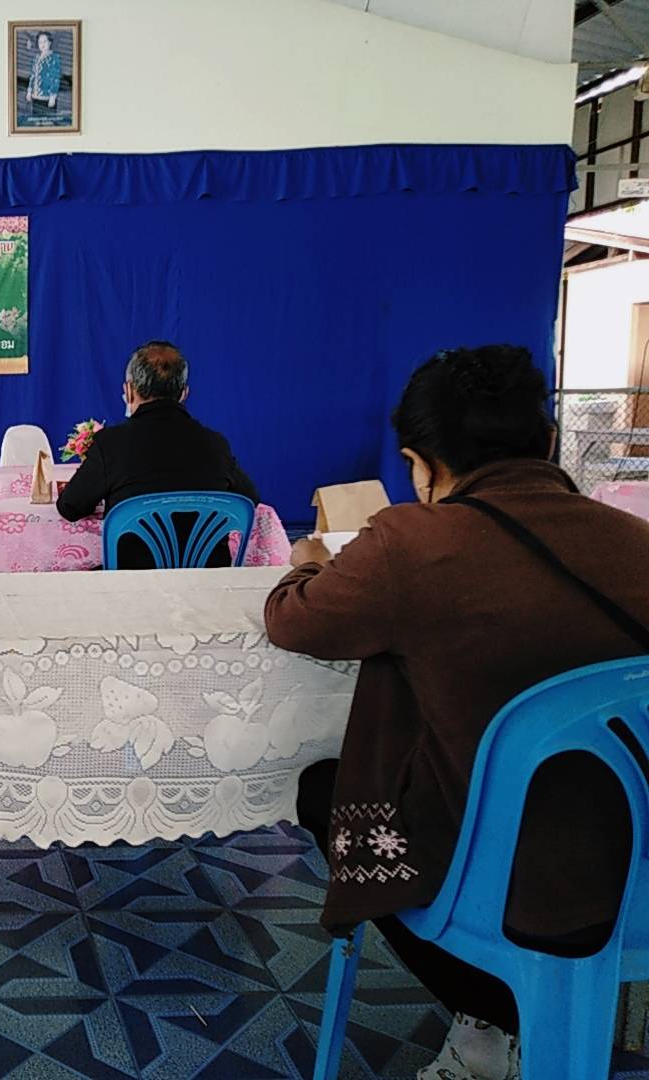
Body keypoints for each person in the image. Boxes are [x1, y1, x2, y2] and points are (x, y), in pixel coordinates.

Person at [265, 345, 642, 1080]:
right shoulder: (635, 541)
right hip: (637, 871)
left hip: (506, 888)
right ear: (550, 441)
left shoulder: (411, 545)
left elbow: (293, 620)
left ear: (420, 464)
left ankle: (488, 1016)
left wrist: (308, 559)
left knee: (323, 790)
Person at [56, 340, 258, 568]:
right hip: (208, 580)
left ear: (129, 391)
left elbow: (70, 507)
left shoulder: (110, 444)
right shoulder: (216, 444)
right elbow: (249, 499)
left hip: (131, 581)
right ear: (184, 393)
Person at [25, 31, 62, 114]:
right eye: (40, 42)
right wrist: (29, 91)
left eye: (45, 41)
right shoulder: (37, 58)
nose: (42, 44)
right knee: (36, 119)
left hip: (48, 98)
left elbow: (55, 78)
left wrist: (53, 96)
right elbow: (33, 76)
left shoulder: (54, 57)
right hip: (35, 97)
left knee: (48, 119)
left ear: (50, 42)